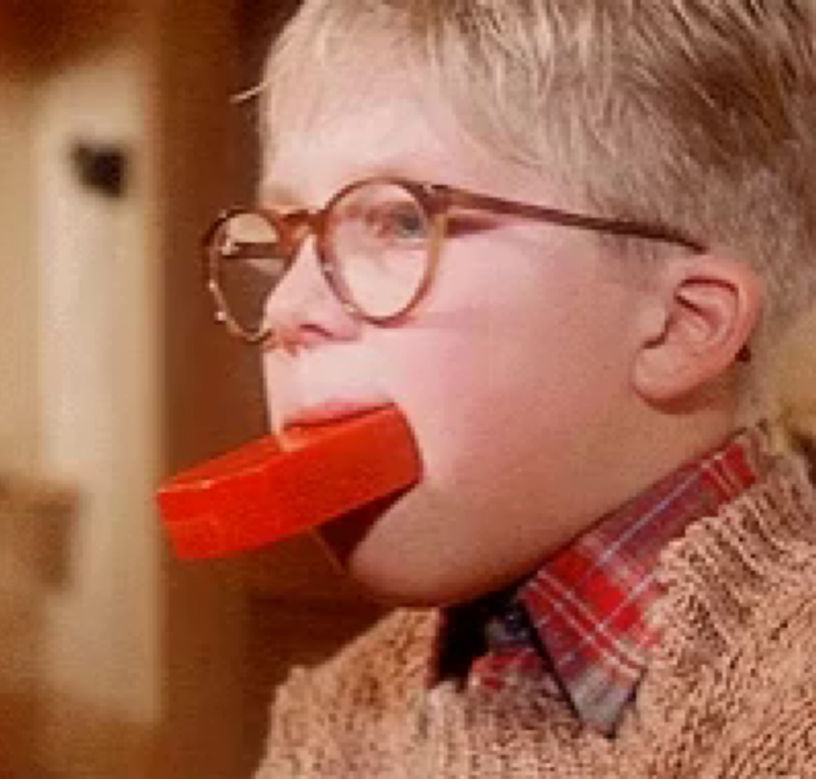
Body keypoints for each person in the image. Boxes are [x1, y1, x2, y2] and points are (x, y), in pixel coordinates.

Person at [200, 2, 816, 775]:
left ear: (680, 325)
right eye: (291, 237)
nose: (288, 306)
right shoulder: (332, 713)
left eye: (398, 222)